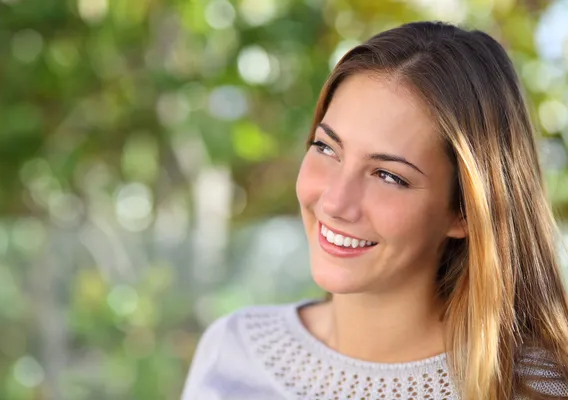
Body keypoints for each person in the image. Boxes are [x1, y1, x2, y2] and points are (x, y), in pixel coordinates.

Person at [181, 21, 568, 399]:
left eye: (388, 175)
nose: (334, 202)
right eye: (326, 148)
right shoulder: (231, 352)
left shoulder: (540, 390)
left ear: (464, 211)